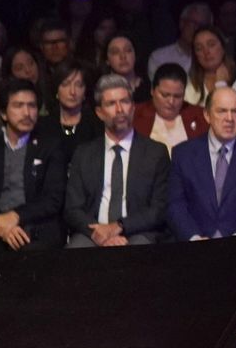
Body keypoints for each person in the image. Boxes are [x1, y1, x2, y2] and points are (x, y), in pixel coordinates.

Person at [0, 79, 68, 255]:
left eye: (32, 106)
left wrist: (15, 216)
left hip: (36, 223)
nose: (27, 113)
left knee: (34, 252)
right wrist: (4, 225)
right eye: (18, 106)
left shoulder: (50, 147)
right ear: (3, 113)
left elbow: (53, 199)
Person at [64, 75, 171, 247]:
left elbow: (159, 209)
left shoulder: (155, 152)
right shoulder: (84, 154)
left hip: (137, 232)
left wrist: (119, 227)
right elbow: (72, 208)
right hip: (93, 233)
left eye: (125, 102)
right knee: (76, 250)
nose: (120, 109)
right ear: (99, 112)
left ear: (133, 107)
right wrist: (99, 232)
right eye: (111, 104)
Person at [168, 87, 236, 241]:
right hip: (193, 248)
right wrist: (194, 238)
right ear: (207, 115)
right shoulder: (183, 154)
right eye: (222, 111)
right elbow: (175, 206)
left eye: (235, 111)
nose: (229, 118)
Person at [141, 63, 206, 151]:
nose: (171, 102)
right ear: (152, 91)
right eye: (165, 95)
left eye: (177, 96)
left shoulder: (200, 116)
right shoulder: (136, 115)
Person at [184, 26, 236, 109]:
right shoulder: (187, 83)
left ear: (223, 48)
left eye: (211, 45)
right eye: (199, 48)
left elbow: (227, 111)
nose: (206, 52)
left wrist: (221, 84)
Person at [47, 60, 101, 156]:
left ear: (85, 91)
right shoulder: (45, 125)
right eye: (65, 84)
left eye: (79, 85)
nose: (72, 92)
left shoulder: (97, 125)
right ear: (56, 90)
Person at [147, 2, 211, 77]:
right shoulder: (159, 57)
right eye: (193, 23)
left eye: (202, 25)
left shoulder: (211, 58)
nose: (197, 29)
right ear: (182, 23)